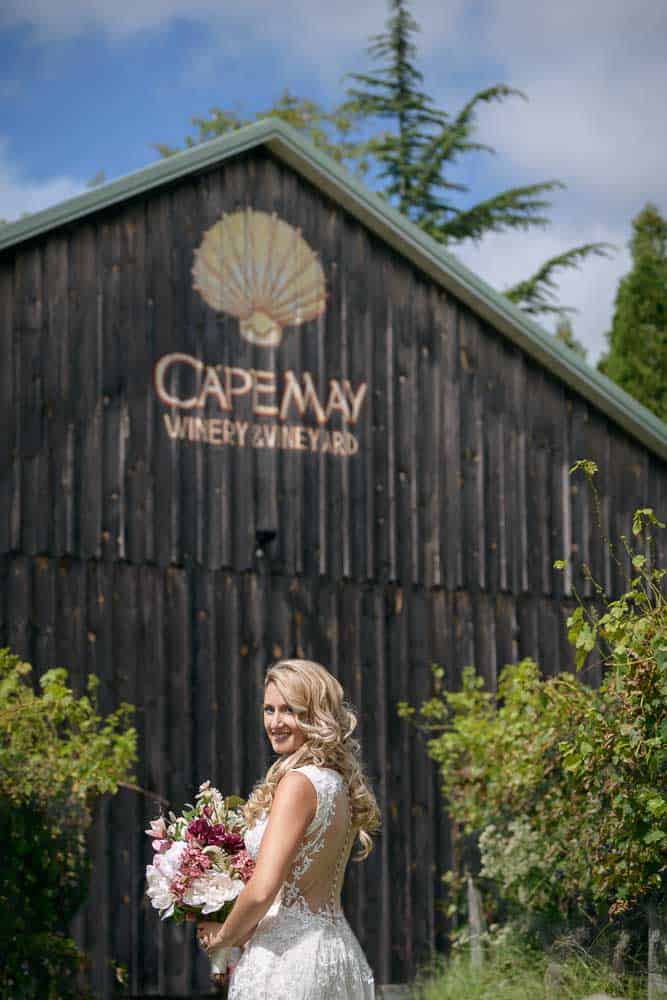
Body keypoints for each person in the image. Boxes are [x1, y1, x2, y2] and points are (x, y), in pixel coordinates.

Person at [195, 658, 382, 999]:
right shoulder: (336, 783)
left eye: (289, 711)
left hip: (288, 962)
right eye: (269, 709)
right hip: (335, 950)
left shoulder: (297, 783)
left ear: (315, 716)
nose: (275, 722)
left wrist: (224, 939)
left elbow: (264, 888)